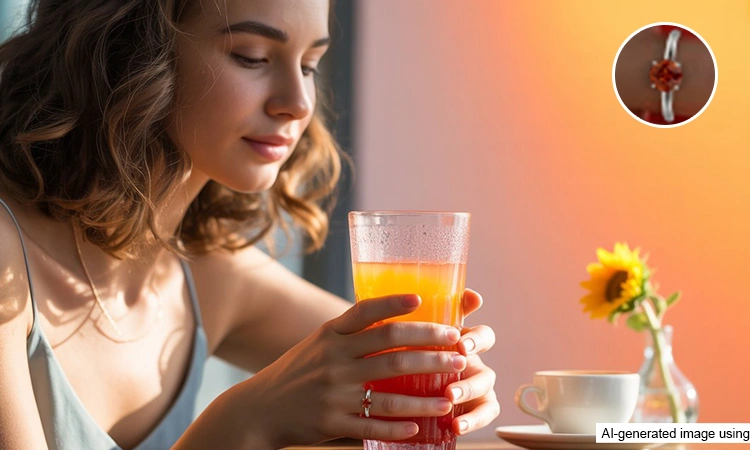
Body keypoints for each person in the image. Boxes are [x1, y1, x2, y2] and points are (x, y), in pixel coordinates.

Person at [0, 0, 500, 449]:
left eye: (310, 66)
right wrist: (245, 421)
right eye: (253, 57)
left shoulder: (207, 275)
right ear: (127, 50)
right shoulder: (7, 260)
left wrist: (452, 376)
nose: (299, 103)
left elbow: (390, 367)